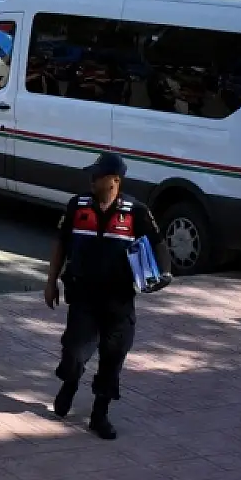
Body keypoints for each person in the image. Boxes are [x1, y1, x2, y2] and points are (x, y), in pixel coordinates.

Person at [44, 152, 172, 440]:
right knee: (75, 353)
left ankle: (99, 415)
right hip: (84, 297)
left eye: (97, 175)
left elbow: (158, 243)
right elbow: (61, 244)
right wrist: (51, 281)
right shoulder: (77, 206)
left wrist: (164, 273)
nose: (91, 179)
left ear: (114, 181)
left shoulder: (135, 211)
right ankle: (69, 384)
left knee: (113, 359)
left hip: (119, 300)